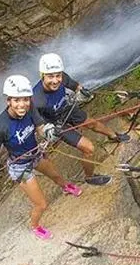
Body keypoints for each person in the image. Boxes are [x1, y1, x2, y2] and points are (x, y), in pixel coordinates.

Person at [0, 74, 81, 240]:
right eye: (16, 100)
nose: (22, 104)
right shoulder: (0, 127)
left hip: (35, 153)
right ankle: (35, 226)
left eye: (25, 99)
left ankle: (65, 187)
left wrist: (47, 131)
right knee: (41, 204)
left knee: (56, 175)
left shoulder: (30, 108)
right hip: (20, 167)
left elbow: (39, 126)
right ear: (8, 101)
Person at [32, 53, 129, 186]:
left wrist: (82, 91)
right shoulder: (36, 99)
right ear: (42, 75)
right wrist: (47, 132)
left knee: (93, 123)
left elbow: (75, 85)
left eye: (57, 75)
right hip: (57, 125)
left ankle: (113, 136)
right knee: (88, 148)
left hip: (66, 108)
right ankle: (90, 177)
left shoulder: (62, 77)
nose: (55, 80)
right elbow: (37, 124)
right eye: (50, 76)